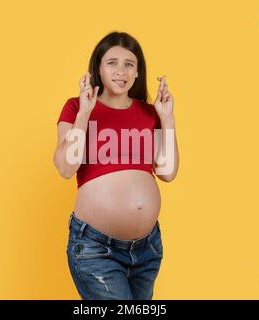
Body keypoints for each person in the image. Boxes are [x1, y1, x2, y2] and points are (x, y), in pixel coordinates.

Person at [53, 31, 179, 300]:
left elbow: (167, 172)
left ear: (137, 73)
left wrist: (167, 120)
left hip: (147, 249)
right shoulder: (76, 108)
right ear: (98, 68)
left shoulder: (149, 113)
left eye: (129, 64)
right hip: (95, 248)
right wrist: (85, 114)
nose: (120, 71)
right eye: (112, 62)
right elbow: (66, 167)